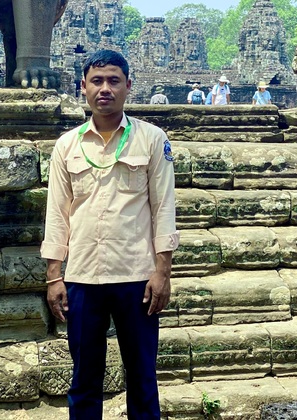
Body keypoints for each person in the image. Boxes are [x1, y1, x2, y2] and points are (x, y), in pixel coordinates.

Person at [42, 49, 179, 420]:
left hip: (137, 277)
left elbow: (164, 208)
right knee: (84, 380)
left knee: (142, 378)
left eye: (114, 81)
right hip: (82, 278)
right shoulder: (67, 146)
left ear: (128, 87)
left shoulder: (151, 139)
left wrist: (162, 272)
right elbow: (57, 213)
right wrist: (55, 276)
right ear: (82, 87)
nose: (105, 89)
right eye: (97, 81)